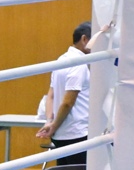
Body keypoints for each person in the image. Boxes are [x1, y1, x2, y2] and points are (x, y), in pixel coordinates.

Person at [36, 22, 93, 153]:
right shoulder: (78, 64)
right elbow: (68, 102)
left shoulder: (61, 60)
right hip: (77, 133)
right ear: (84, 39)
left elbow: (50, 96)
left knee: (64, 166)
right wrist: (54, 126)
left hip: (60, 134)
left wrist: (49, 122)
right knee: (79, 167)